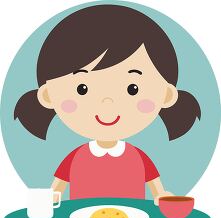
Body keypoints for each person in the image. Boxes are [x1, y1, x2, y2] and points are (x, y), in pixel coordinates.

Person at [14, 5, 201, 205]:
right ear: (49, 95)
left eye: (133, 89)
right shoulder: (74, 158)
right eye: (82, 89)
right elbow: (55, 192)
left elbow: (158, 193)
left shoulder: (139, 158)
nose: (107, 103)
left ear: (166, 94)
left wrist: (163, 198)